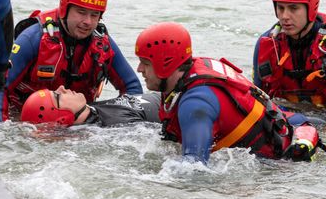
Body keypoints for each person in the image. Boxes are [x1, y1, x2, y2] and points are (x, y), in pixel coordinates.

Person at [135, 21, 323, 164]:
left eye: (145, 63)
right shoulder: (190, 74)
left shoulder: (195, 104)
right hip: (288, 124)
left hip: (281, 161)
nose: (139, 69)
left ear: (165, 63)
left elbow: (193, 170)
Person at [0, 0, 143, 121]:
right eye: (81, 12)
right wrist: (4, 131)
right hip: (28, 121)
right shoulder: (32, 38)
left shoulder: (103, 43)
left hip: (74, 125)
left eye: (94, 15)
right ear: (64, 8)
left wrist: (110, 121)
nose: (88, 21)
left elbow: (133, 89)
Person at [253, 0, 326, 108]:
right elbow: (257, 99)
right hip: (285, 116)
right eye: (281, 8)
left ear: (311, 9)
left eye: (293, 8)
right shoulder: (267, 43)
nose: (285, 16)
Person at [20, 86, 160, 126]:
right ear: (62, 118)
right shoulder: (115, 126)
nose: (61, 87)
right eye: (57, 95)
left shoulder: (92, 109)